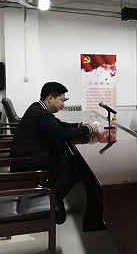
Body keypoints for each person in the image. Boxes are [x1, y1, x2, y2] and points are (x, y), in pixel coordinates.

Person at [10, 82, 97, 224]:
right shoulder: (41, 115)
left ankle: (53, 192)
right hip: (28, 162)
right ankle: (53, 197)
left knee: (73, 162)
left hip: (31, 155)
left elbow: (58, 124)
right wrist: (87, 130)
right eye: (61, 100)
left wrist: (79, 125)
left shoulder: (38, 108)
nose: (63, 104)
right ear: (50, 98)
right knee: (77, 169)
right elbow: (61, 132)